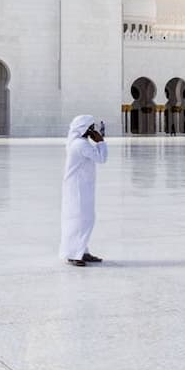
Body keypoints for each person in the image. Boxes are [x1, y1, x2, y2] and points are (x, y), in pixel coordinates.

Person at [60, 114, 107, 266]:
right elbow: (101, 158)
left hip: (81, 187)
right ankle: (74, 254)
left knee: (82, 219)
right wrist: (100, 142)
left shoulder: (78, 142)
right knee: (80, 220)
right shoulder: (81, 144)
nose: (94, 130)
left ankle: (81, 251)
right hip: (78, 189)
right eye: (91, 127)